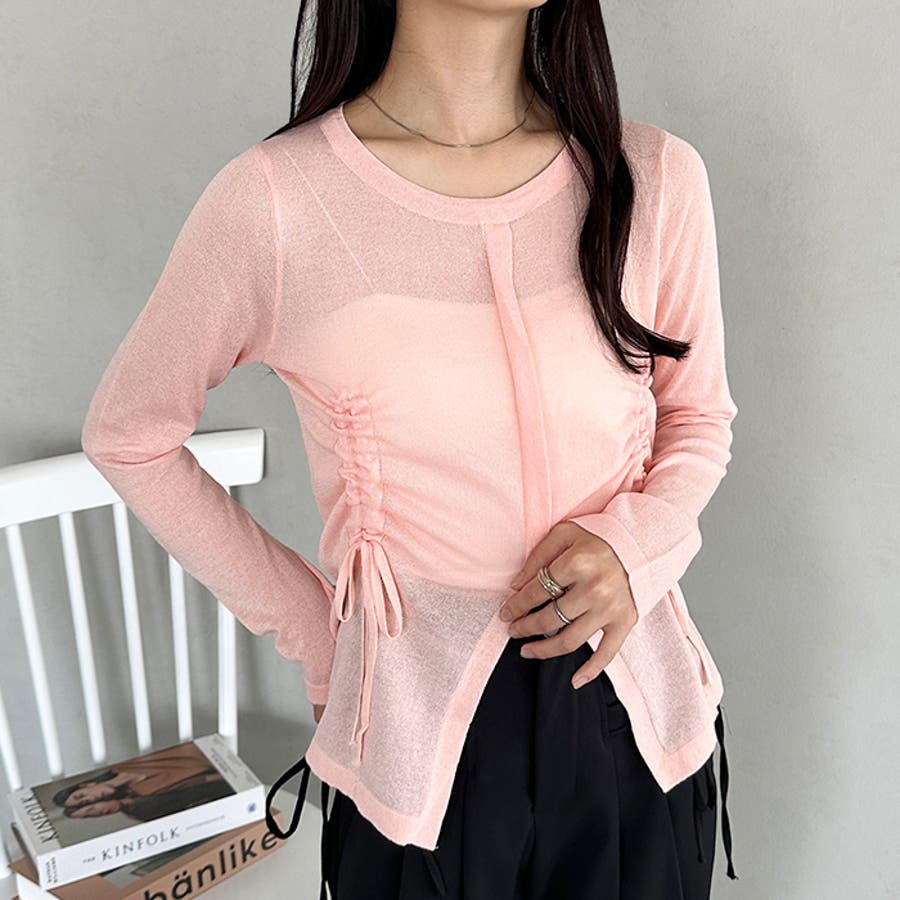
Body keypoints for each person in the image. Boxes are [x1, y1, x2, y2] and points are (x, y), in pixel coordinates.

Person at [81, 1, 740, 897]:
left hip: (639, 730)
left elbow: (697, 418)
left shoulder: (651, 175)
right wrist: (324, 636)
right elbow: (130, 434)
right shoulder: (279, 200)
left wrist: (634, 549)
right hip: (412, 751)